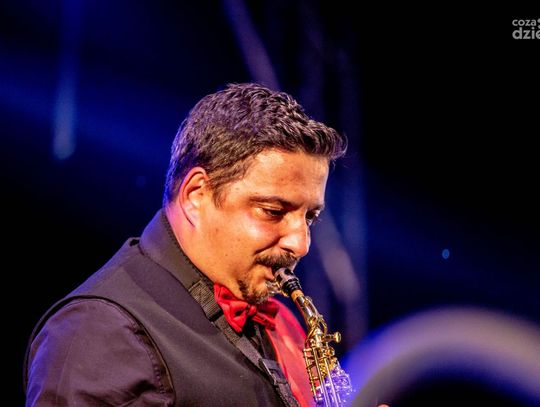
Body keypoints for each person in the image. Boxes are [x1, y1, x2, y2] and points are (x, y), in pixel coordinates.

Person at [24, 82, 347, 406]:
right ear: (196, 195)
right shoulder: (95, 331)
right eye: (273, 211)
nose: (301, 244)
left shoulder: (280, 322)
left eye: (310, 217)